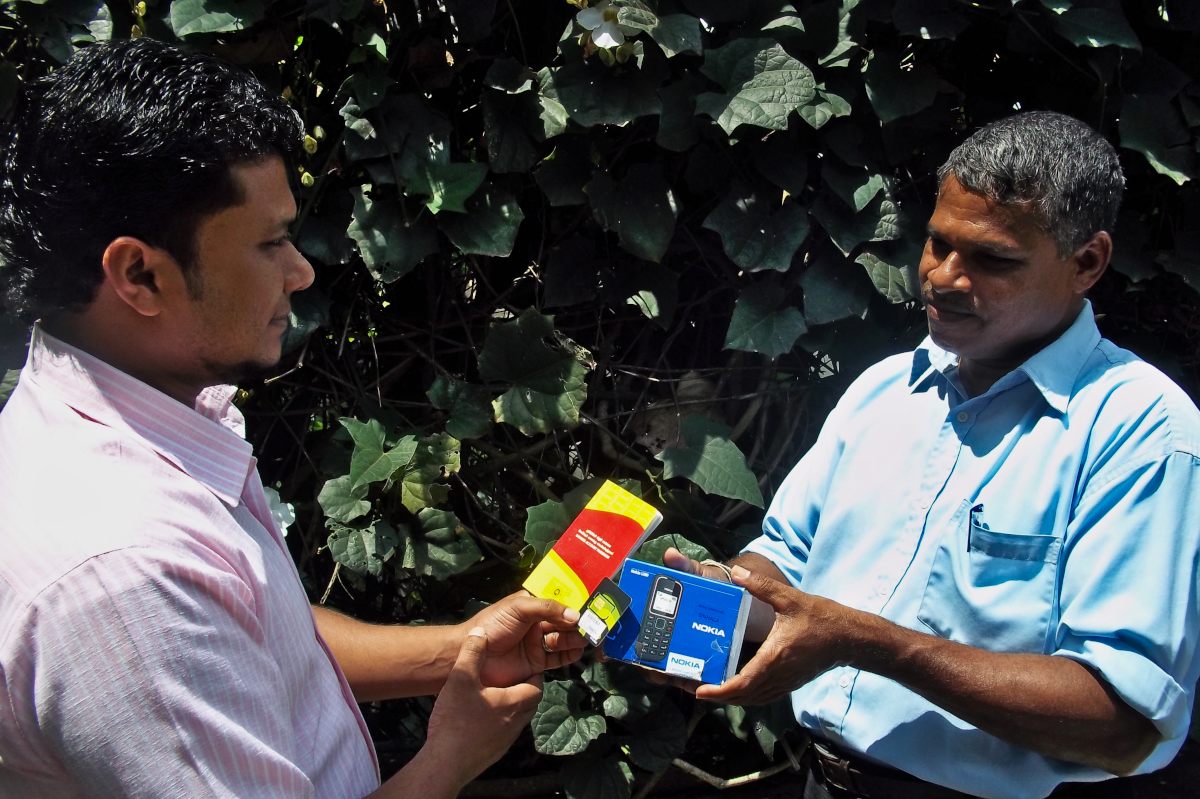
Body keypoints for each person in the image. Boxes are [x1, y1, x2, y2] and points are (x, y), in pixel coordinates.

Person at [0, 38, 583, 798]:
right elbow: (188, 621)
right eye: (271, 242)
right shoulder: (126, 579)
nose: (302, 271)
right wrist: (451, 755)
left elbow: (253, 636)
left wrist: (462, 646)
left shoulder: (127, 411)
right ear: (140, 274)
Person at [665, 111, 1200, 799]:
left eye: (991, 258)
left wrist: (868, 642)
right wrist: (699, 608)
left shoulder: (1144, 432)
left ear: (1087, 263)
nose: (942, 278)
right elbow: (784, 565)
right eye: (937, 243)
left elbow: (1122, 723)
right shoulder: (884, 389)